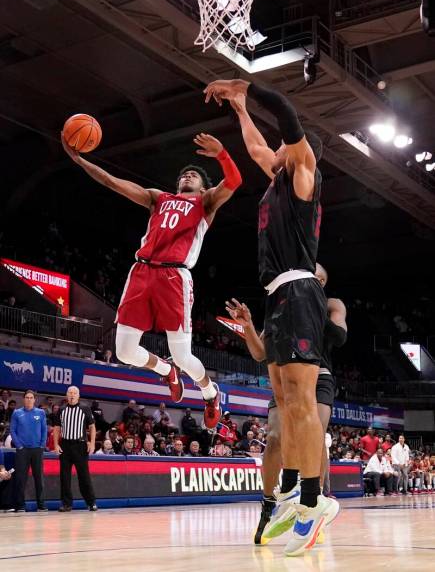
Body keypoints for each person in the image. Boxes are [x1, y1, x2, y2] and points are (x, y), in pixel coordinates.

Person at [205, 78, 337, 555]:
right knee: (283, 400)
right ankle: (296, 496)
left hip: (301, 291)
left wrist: (249, 88)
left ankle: (313, 500)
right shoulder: (279, 174)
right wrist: (239, 109)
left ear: (300, 149)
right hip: (277, 297)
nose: (275, 148)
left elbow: (284, 118)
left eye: (285, 143)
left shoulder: (304, 172)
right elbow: (259, 144)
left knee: (301, 402)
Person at [63, 131, 242, 429]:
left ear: (202, 187)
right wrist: (80, 160)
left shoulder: (206, 203)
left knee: (183, 356)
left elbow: (234, 182)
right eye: (185, 174)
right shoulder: (158, 198)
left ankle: (210, 395)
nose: (188, 176)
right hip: (142, 272)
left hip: (175, 276)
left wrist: (222, 153)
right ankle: (165, 372)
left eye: (194, 175)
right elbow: (112, 182)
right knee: (124, 352)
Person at [226, 263, 346, 546]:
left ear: (321, 282)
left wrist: (309, 308)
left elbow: (339, 337)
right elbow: (259, 353)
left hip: (319, 376)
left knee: (313, 435)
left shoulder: (331, 304)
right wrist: (248, 328)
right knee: (275, 436)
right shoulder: (280, 302)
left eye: (318, 276)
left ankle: (315, 500)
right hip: (285, 377)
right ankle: (271, 503)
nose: (313, 276)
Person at [53, 386, 97, 512]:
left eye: (74, 393)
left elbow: (92, 427)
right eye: (70, 393)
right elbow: (56, 428)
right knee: (64, 477)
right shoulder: (61, 410)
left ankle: (91, 502)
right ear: (66, 395)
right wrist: (56, 444)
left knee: (84, 476)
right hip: (65, 446)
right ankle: (66, 504)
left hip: (80, 445)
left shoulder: (85, 408)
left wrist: (92, 443)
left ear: (78, 395)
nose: (72, 395)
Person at [10, 390, 48, 512]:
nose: (29, 399)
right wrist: (19, 445)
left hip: (37, 450)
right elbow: (13, 431)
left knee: (39, 478)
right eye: (27, 397)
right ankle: (20, 505)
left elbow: (44, 430)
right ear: (23, 399)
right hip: (23, 451)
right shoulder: (16, 413)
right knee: (21, 478)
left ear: (34, 399)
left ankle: (41, 505)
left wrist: (42, 445)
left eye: (31, 397)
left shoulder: (41, 413)